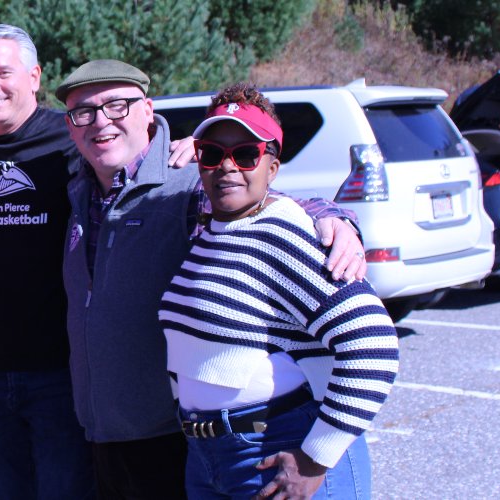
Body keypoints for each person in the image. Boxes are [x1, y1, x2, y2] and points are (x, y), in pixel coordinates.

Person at [54, 61, 366, 498]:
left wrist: (333, 216)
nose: (100, 121)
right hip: (110, 435)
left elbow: (264, 202)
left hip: (177, 437)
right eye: (83, 112)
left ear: (147, 110)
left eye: (116, 106)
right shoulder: (78, 192)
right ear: (70, 126)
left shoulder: (189, 182)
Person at [0, 24, 196, 500]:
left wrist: (331, 216)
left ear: (34, 76)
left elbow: (159, 164)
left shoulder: (74, 136)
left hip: (63, 372)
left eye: (3, 72)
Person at [159, 83, 399, 499]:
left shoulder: (283, 232)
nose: (227, 166)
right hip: (210, 454)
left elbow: (373, 346)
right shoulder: (210, 229)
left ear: (272, 166)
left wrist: (315, 459)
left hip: (275, 448)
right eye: (213, 153)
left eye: (246, 154)